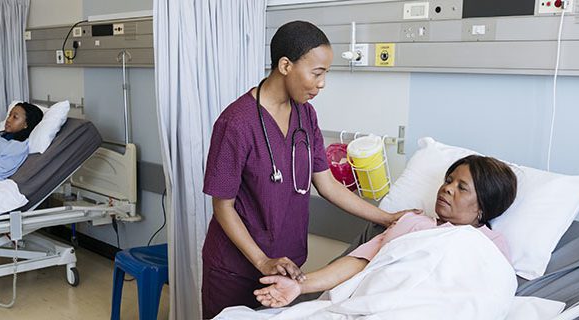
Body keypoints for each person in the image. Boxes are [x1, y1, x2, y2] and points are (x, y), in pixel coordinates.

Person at [202, 21, 401, 318]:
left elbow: (327, 184)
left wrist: (387, 218)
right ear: (285, 65)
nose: (322, 83)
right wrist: (262, 261)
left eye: (325, 74)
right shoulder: (236, 123)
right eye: (316, 73)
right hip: (235, 268)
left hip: (287, 265)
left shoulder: (305, 115)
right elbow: (223, 206)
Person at [252, 155, 518, 308]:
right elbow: (359, 263)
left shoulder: (490, 245)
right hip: (379, 304)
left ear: (483, 206)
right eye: (449, 181)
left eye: (462, 187)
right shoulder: (413, 222)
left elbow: (488, 295)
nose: (447, 188)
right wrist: (299, 286)